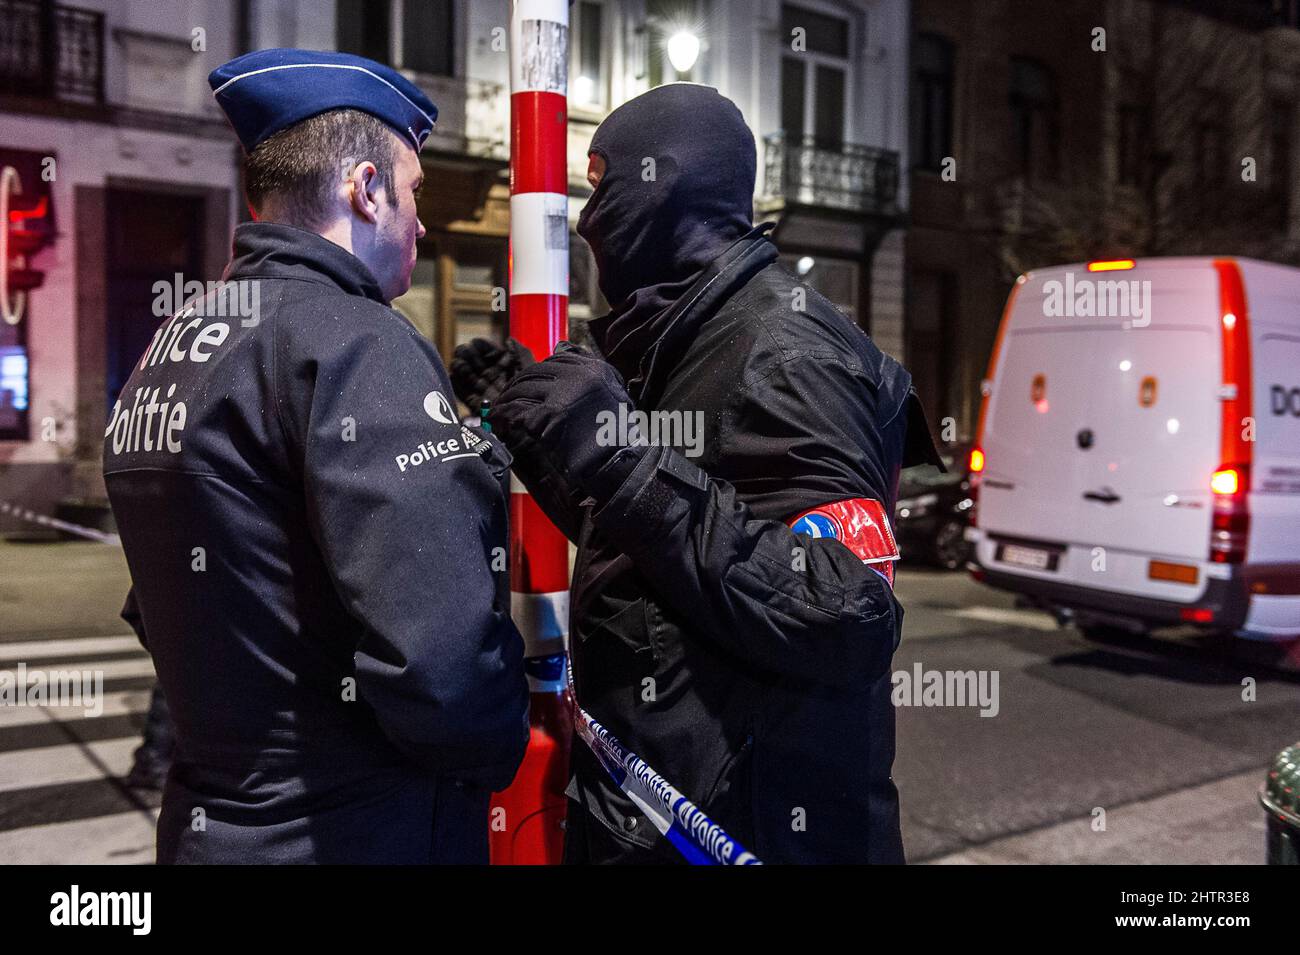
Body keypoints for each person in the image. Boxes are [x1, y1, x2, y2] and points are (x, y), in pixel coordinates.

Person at [452, 83, 940, 864]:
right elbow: (646, 544)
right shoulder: (686, 337)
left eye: (600, 185)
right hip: (653, 819)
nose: (585, 218)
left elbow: (843, 613)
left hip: (750, 835)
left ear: (662, 182)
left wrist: (622, 456)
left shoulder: (788, 353)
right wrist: (541, 429)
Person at [103, 49, 529, 864]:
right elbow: (444, 664)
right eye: (411, 194)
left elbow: (163, 606)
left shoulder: (176, 343)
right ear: (364, 190)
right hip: (354, 831)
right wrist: (504, 731)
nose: (421, 222)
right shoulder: (358, 344)